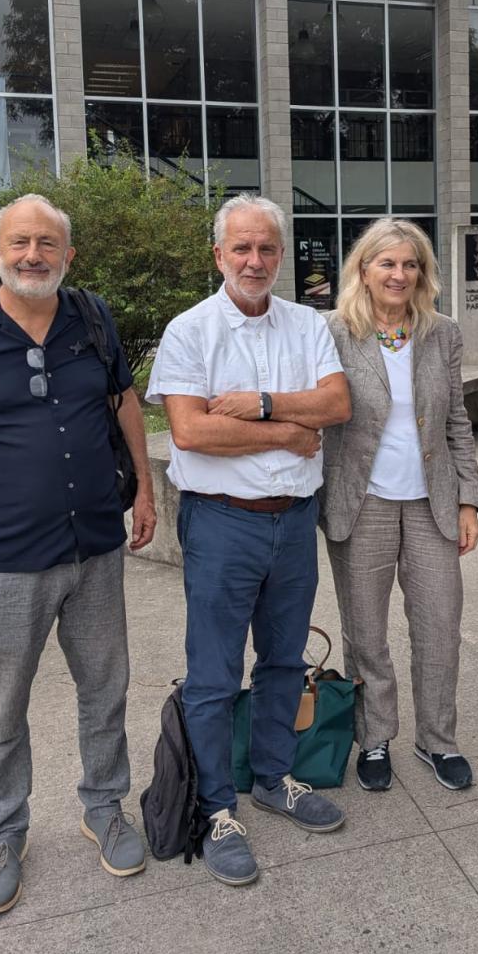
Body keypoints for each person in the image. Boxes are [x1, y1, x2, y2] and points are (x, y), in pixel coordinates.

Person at [0, 194, 157, 916]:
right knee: (0, 708)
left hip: (96, 549)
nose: (33, 255)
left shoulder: (91, 317)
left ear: (67, 255)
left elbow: (124, 402)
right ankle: (5, 829)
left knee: (105, 689)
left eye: (47, 243)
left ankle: (104, 806)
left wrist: (143, 489)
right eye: (19, 242)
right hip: (6, 558)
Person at [145, 194, 352, 886]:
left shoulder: (306, 326)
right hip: (221, 521)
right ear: (218, 255)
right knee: (211, 673)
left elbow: (336, 404)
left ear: (280, 255)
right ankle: (215, 808)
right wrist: (288, 432)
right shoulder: (190, 331)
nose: (255, 261)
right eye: (241, 249)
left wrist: (262, 406)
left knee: (283, 661)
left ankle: (273, 776)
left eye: (266, 249)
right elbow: (192, 431)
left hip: (292, 522)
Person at [319, 219, 478, 793]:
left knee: (440, 625)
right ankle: (375, 737)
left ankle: (437, 739)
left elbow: (457, 420)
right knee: (366, 631)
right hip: (360, 503)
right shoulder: (333, 333)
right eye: (387, 263)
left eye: (410, 264)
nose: (399, 274)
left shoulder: (442, 334)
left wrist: (469, 501)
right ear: (363, 269)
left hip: (432, 502)